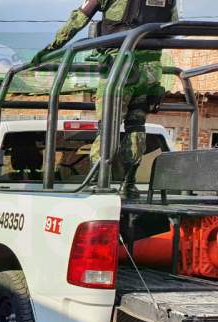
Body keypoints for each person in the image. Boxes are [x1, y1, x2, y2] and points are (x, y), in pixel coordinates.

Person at [32, 0, 177, 199]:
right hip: (150, 71)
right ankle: (129, 184)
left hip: (121, 66)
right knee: (136, 126)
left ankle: (97, 182)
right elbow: (172, 28)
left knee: (108, 126)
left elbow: (79, 19)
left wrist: (51, 48)